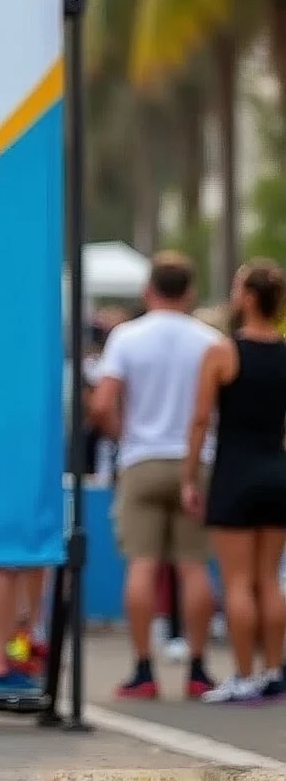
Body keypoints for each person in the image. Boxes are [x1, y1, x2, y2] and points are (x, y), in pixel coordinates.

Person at [91, 250, 221, 699]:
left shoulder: (126, 337)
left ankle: (144, 669)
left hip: (141, 460)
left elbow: (103, 402)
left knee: (142, 566)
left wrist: (125, 436)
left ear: (149, 290)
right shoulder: (209, 339)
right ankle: (200, 670)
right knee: (194, 566)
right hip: (195, 459)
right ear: (189, 292)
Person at [182, 259, 286, 702]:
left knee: (238, 582)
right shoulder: (285, 351)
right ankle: (274, 670)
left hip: (236, 473)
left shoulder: (223, 352)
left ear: (247, 298)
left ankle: (244, 674)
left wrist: (190, 476)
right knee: (270, 580)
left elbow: (202, 418)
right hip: (276, 471)